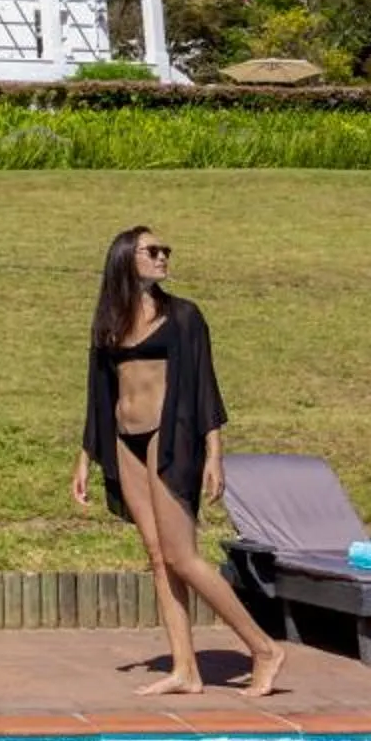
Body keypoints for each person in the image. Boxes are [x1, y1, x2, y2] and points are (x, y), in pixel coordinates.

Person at [72, 225, 286, 697]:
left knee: (181, 556)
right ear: (127, 259)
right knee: (157, 557)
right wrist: (85, 456)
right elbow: (97, 392)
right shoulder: (108, 320)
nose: (163, 256)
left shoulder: (184, 316)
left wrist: (215, 453)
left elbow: (205, 386)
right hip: (122, 439)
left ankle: (263, 648)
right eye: (153, 251)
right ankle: (185, 670)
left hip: (170, 438)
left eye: (165, 250)